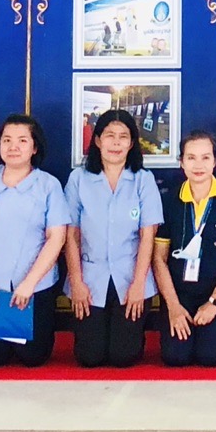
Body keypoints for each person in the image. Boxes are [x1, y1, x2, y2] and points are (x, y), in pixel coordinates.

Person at [0, 115, 69, 368]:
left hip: (33, 289)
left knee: (34, 358)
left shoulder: (48, 185)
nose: (13, 147)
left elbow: (57, 237)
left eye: (22, 140)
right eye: (7, 140)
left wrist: (29, 284)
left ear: (34, 147)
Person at [64, 109, 162, 368]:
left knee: (123, 357)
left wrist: (139, 283)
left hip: (130, 276)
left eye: (123, 137)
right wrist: (76, 281)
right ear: (97, 140)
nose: (116, 143)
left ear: (132, 143)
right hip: (89, 277)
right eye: (109, 135)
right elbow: (70, 235)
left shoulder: (143, 180)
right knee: (89, 358)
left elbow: (147, 236)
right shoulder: (78, 179)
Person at [152, 130, 216, 368]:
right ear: (181, 162)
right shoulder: (168, 200)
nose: (199, 165)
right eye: (191, 157)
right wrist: (173, 307)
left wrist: (214, 303)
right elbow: (158, 259)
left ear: (215, 161)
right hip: (178, 292)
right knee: (175, 358)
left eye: (206, 158)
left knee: (211, 358)